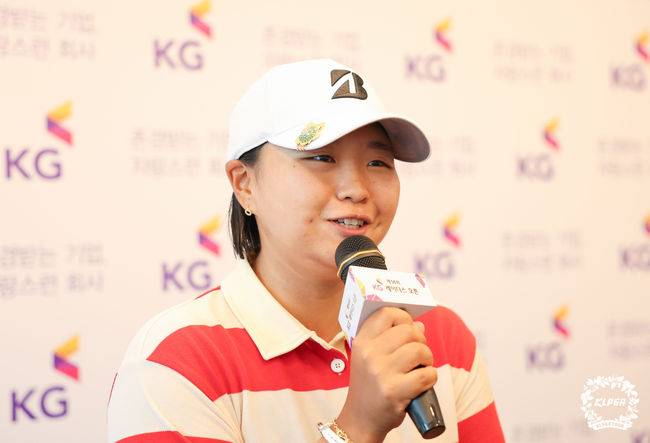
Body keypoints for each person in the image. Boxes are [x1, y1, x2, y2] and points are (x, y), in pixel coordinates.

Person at [107, 59, 505, 443]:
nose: (356, 189)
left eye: (378, 162)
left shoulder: (440, 336)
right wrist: (357, 427)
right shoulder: (175, 359)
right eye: (321, 157)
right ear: (245, 184)